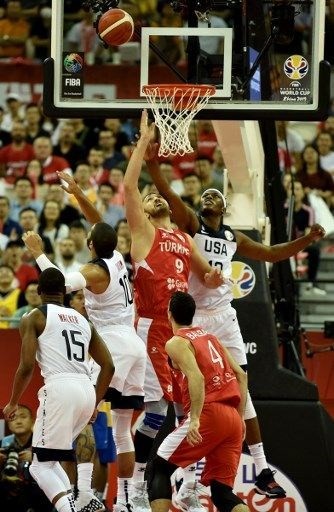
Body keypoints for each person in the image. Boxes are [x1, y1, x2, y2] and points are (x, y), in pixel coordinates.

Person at [146, 144, 326, 500]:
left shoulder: (233, 237)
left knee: (240, 391)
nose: (210, 195)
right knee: (191, 391)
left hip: (226, 318)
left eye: (217, 194)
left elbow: (272, 254)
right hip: (194, 318)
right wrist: (153, 164)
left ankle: (260, 468)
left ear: (225, 208)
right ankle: (190, 475)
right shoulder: (192, 223)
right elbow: (168, 192)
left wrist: (306, 239)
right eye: (207, 194)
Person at [122, 111, 224, 510]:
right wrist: (145, 143)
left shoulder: (182, 236)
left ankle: (189, 487)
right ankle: (135, 489)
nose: (154, 195)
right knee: (154, 414)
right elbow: (129, 185)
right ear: (143, 213)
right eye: (149, 197)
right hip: (151, 329)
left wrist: (216, 275)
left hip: (184, 331)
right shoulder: (144, 232)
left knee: (192, 411)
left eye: (156, 194)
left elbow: (207, 274)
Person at [23, 212, 147, 512]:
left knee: (87, 415)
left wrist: (39, 253)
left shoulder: (94, 271)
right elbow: (99, 222)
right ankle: (128, 500)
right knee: (120, 428)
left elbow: (59, 283)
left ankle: (84, 492)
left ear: (90, 244)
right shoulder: (117, 255)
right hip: (134, 342)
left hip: (112, 342)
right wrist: (79, 193)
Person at [3, 267, 114, 512]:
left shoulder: (33, 316)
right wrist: (94, 402)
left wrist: (13, 402)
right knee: (50, 462)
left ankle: (69, 509)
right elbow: (108, 365)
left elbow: (26, 366)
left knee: (38, 466)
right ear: (64, 292)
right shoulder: (84, 321)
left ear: (40, 292)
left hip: (60, 387)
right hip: (86, 389)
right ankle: (75, 502)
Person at [148, 291, 249, 512]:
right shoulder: (211, 338)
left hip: (209, 413)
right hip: (232, 417)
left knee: (160, 468)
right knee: (222, 493)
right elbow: (241, 375)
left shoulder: (177, 342)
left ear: (169, 313)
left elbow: (197, 377)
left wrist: (193, 419)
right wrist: (240, 419)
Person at [0, 404, 54, 512]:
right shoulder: (3, 443)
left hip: (37, 493)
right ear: (9, 425)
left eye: (23, 417)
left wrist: (36, 458)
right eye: (13, 418)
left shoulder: (43, 443)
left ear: (33, 421)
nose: (18, 421)